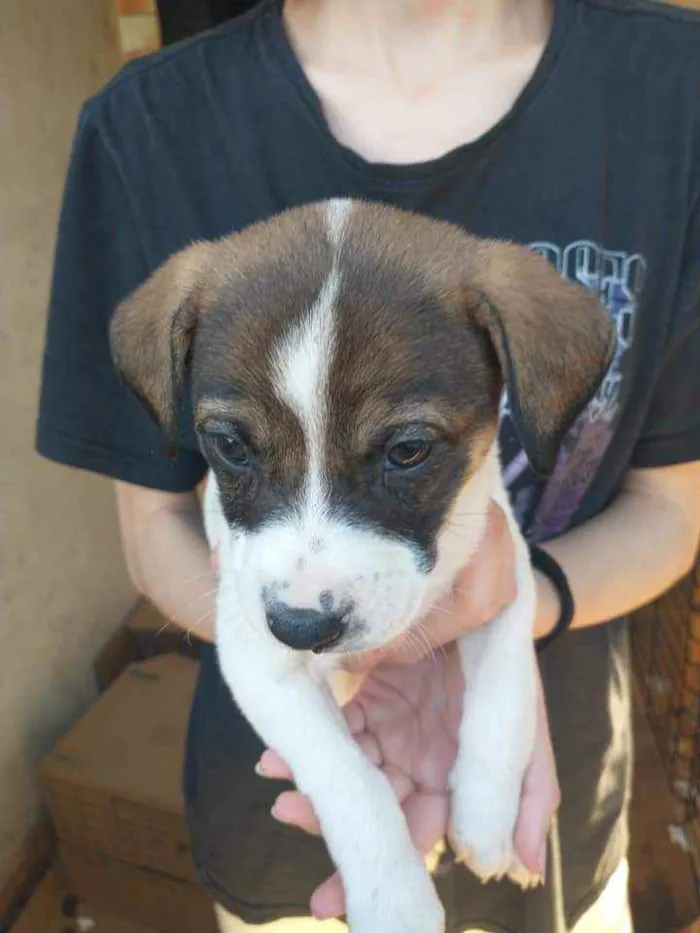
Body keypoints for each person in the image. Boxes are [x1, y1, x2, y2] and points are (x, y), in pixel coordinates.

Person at [36, 0, 700, 931]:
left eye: (404, 451)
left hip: (563, 809)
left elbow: (656, 515)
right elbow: (158, 531)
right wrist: (369, 832)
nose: (307, 587)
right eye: (236, 445)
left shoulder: (676, 90)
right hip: (281, 817)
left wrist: (506, 636)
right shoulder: (144, 130)